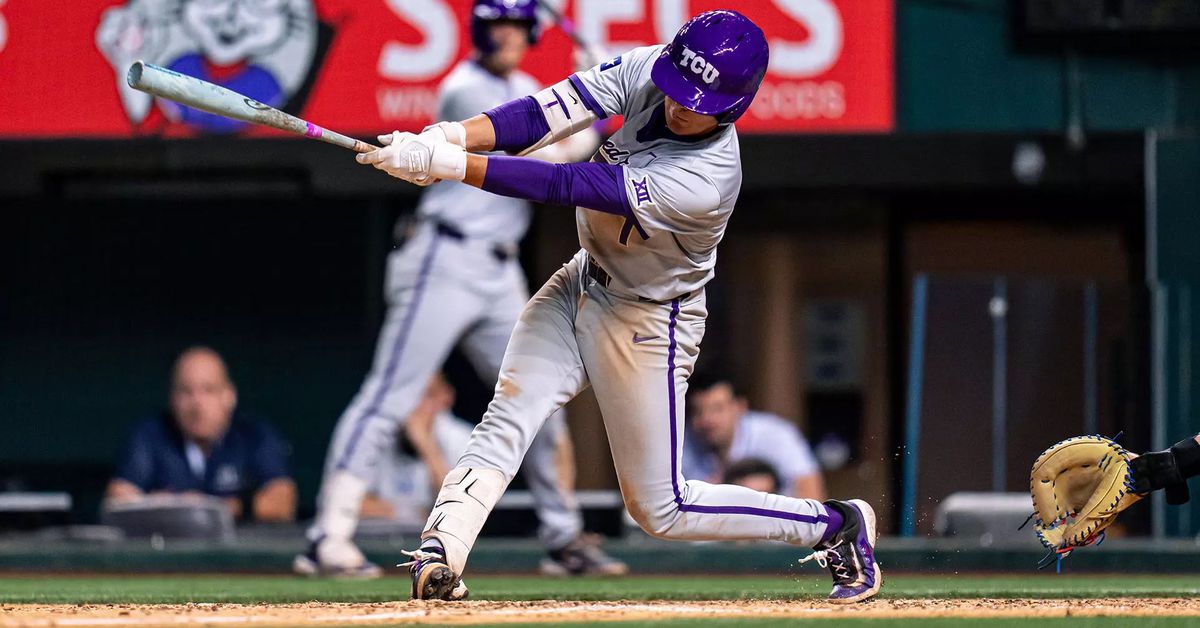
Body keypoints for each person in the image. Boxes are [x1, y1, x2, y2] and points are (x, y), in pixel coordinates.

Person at [356, 9, 882, 604]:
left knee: (662, 508)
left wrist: (447, 165)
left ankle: (835, 525)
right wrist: (449, 135)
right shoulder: (655, 67)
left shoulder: (706, 180)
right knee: (511, 411)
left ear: (734, 104)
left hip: (650, 317)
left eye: (700, 99)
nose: (681, 103)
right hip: (583, 277)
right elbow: (543, 113)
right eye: (681, 86)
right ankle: (440, 550)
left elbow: (570, 185)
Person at [296, 0, 623, 578]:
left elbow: (562, 132)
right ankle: (327, 536)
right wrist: (600, 104)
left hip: (499, 272)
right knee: (391, 395)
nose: (511, 37)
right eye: (500, 26)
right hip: (443, 258)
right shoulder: (465, 89)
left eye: (519, 27)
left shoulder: (525, 85)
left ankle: (564, 537)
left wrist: (598, 89)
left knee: (539, 396)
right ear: (480, 31)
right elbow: (552, 155)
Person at [106, 346, 296, 523]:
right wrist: (165, 506)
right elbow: (118, 499)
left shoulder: (253, 434)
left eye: (208, 390)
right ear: (173, 399)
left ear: (229, 396)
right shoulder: (151, 434)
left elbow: (283, 502)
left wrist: (206, 508)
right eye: (186, 392)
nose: (197, 405)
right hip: (168, 553)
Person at [683, 372, 826, 500]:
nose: (708, 420)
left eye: (717, 409)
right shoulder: (682, 443)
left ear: (740, 407)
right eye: (698, 411)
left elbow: (812, 497)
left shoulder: (775, 434)